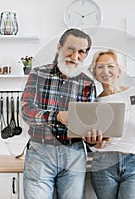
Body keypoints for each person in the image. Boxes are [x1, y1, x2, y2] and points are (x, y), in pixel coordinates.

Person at [21, 28, 102, 199]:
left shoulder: (88, 83)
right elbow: (26, 111)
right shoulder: (38, 74)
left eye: (81, 52)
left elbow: (89, 123)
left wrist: (92, 139)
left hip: (74, 154)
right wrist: (57, 116)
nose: (75, 57)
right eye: (71, 49)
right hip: (40, 152)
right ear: (59, 48)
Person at [85, 49, 135, 199]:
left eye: (110, 66)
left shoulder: (134, 93)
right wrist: (96, 141)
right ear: (95, 74)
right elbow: (98, 146)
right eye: (100, 67)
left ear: (118, 70)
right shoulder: (95, 103)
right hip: (103, 163)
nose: (105, 71)